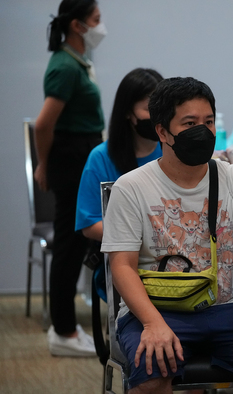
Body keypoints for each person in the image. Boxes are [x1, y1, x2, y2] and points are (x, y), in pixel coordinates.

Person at [101, 77, 233, 393]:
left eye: (208, 122)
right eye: (189, 123)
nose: (202, 131)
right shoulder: (131, 187)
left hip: (226, 306)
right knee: (152, 372)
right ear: (162, 131)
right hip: (156, 308)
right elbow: (121, 266)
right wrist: (152, 323)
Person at [35, 0, 107, 357]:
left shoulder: (78, 61)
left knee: (75, 244)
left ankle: (67, 327)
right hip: (71, 158)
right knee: (68, 244)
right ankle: (63, 330)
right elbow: (44, 124)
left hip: (82, 154)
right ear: (78, 25)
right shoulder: (65, 65)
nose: (101, 25)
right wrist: (43, 165)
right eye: (96, 19)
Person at [75, 68, 164, 241]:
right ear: (127, 112)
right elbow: (90, 224)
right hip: (121, 257)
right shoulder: (101, 158)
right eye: (149, 109)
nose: (158, 117)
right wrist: (141, 238)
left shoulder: (174, 152)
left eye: (163, 109)